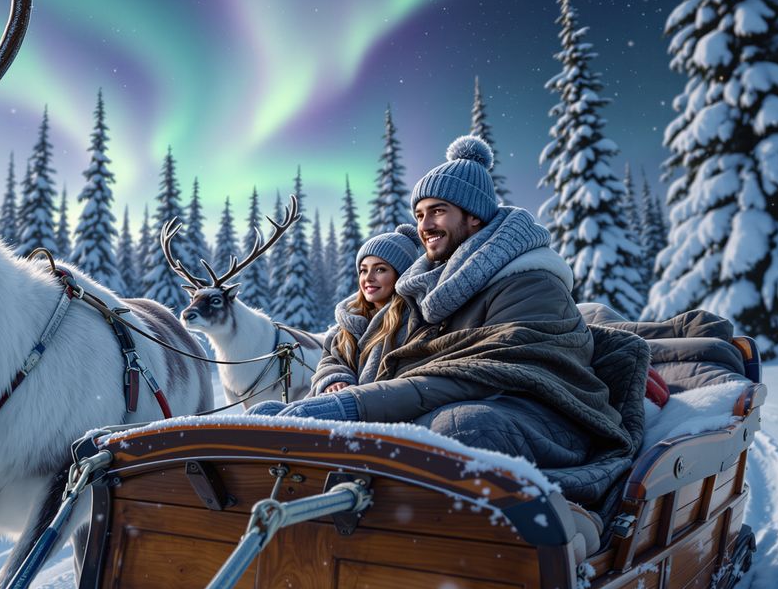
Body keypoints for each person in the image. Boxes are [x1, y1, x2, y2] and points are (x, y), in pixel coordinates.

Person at [255, 135, 648, 511]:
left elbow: (481, 372)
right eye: (420, 214)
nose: (425, 225)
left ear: (474, 216)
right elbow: (377, 357)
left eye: (438, 211)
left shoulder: (530, 281)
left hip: (548, 418)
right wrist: (334, 396)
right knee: (284, 419)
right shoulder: (430, 290)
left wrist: (353, 405)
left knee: (459, 429)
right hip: (466, 406)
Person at [251, 227, 421, 420]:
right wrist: (335, 379)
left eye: (380, 269)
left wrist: (350, 397)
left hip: (368, 413)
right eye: (363, 270)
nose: (368, 278)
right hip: (332, 402)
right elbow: (330, 362)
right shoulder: (347, 325)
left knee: (287, 418)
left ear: (401, 275)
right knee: (262, 410)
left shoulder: (410, 323)